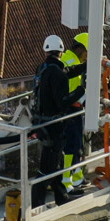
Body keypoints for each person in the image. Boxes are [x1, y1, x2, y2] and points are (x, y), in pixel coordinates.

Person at [31, 34, 75, 208]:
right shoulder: (58, 74)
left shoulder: (42, 68)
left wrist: (84, 67)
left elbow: (66, 72)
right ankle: (36, 204)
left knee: (53, 161)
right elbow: (62, 102)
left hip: (41, 122)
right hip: (54, 126)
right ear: (62, 52)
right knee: (47, 166)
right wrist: (80, 91)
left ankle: (61, 197)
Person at [59, 32, 90, 190]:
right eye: (87, 52)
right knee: (72, 145)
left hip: (73, 109)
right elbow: (73, 92)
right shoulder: (71, 62)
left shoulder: (70, 59)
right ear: (81, 49)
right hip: (70, 110)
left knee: (77, 144)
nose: (87, 56)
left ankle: (76, 176)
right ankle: (66, 180)